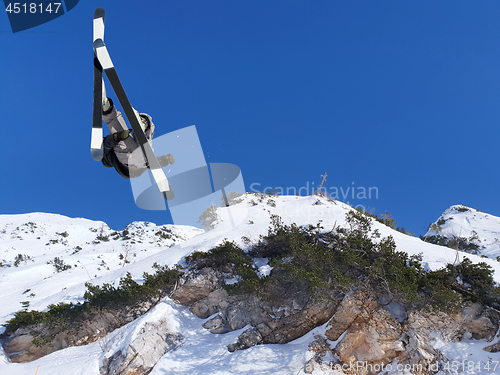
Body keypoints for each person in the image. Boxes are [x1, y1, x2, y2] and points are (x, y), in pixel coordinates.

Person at [100, 80, 174, 179]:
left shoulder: (106, 158)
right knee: (145, 145)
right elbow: (151, 163)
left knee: (113, 122)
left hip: (129, 156)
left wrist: (118, 137)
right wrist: (164, 160)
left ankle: (106, 107)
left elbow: (105, 147)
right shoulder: (107, 157)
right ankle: (144, 125)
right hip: (132, 160)